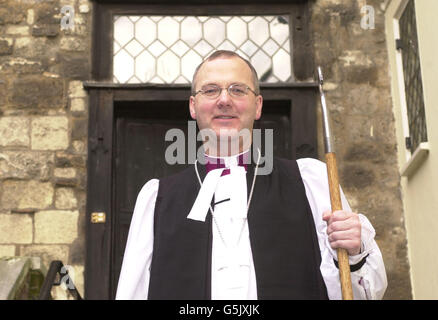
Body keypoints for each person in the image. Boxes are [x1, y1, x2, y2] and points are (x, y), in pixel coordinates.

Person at [116, 50, 387, 300]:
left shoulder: (310, 182)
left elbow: (364, 294)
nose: (224, 100)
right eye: (210, 90)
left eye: (237, 89)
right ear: (193, 106)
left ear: (257, 106)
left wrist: (354, 252)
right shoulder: (157, 199)